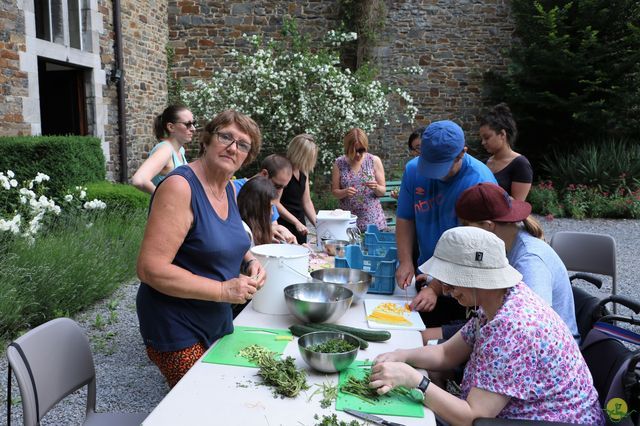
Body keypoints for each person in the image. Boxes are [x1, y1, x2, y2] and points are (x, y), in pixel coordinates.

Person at [370, 227, 604, 425]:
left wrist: (415, 381)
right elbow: (445, 353)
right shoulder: (497, 302)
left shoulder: (514, 327)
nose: (447, 290)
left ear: (476, 276)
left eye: (451, 281)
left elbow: (474, 417)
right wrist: (399, 355)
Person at [136, 110, 267, 388]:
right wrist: (223, 291)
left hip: (213, 317)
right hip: (176, 325)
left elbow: (223, 238)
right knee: (207, 399)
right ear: (206, 141)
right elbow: (150, 269)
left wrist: (249, 260)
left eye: (242, 145)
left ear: (247, 157)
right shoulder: (180, 187)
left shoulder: (229, 189)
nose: (232, 148)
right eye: (225, 137)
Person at [395, 120, 496, 334]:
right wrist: (405, 261)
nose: (432, 174)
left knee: (452, 344)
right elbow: (405, 218)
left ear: (462, 154)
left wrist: (436, 287)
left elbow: (474, 252)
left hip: (464, 286)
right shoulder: (413, 170)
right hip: (427, 274)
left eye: (440, 167)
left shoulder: (480, 182)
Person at [454, 182, 579, 340]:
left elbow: (532, 327)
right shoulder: (506, 246)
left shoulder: (530, 260)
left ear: (488, 226)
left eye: (466, 227)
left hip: (544, 352)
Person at [331, 128, 387, 232]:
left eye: (361, 150)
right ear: (347, 148)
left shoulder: (374, 161)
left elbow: (382, 191)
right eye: (354, 151)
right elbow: (335, 192)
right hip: (348, 221)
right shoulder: (339, 163)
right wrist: (344, 192)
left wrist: (376, 187)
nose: (357, 154)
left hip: (373, 221)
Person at [233, 154, 297, 244]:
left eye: (283, 187)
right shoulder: (232, 188)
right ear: (264, 174)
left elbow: (273, 226)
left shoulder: (269, 195)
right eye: (277, 186)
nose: (278, 192)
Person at [132, 105, 194, 194]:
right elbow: (139, 180)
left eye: (193, 123)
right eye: (187, 124)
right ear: (171, 127)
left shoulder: (180, 150)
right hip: (165, 207)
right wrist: (161, 197)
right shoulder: (165, 150)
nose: (193, 129)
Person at [479, 103, 533, 200]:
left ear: (502, 134)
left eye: (487, 137)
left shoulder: (520, 164)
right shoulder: (484, 163)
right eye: (482, 138)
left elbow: (518, 206)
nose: (483, 142)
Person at [276, 134, 318, 244]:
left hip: (300, 225)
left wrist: (318, 225)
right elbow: (275, 203)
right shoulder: (283, 170)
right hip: (284, 225)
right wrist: (295, 222)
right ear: (300, 154)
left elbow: (307, 202)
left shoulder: (304, 171)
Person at [237, 176, 278, 246]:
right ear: (256, 207)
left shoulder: (255, 230)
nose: (272, 212)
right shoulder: (244, 233)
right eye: (270, 207)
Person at [391, 126, 424, 200]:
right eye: (413, 149)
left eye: (419, 147)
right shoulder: (412, 169)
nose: (416, 153)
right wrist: (402, 197)